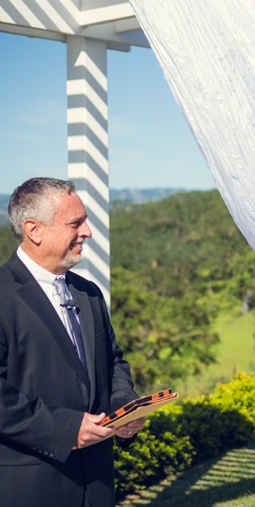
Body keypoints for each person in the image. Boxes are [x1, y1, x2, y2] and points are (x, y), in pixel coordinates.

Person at [0, 177, 144, 506]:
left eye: (86, 221)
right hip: (31, 488)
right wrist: (65, 429)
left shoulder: (89, 293)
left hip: (97, 483)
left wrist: (124, 405)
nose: (87, 232)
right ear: (34, 230)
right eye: (75, 223)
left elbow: (113, 361)